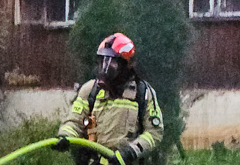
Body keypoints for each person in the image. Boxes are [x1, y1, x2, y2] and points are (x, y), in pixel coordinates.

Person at [53, 33, 164, 165]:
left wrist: (130, 152)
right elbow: (74, 121)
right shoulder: (90, 91)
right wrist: (65, 136)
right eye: (102, 61)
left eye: (111, 63)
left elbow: (154, 133)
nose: (104, 68)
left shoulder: (143, 93)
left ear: (126, 65)